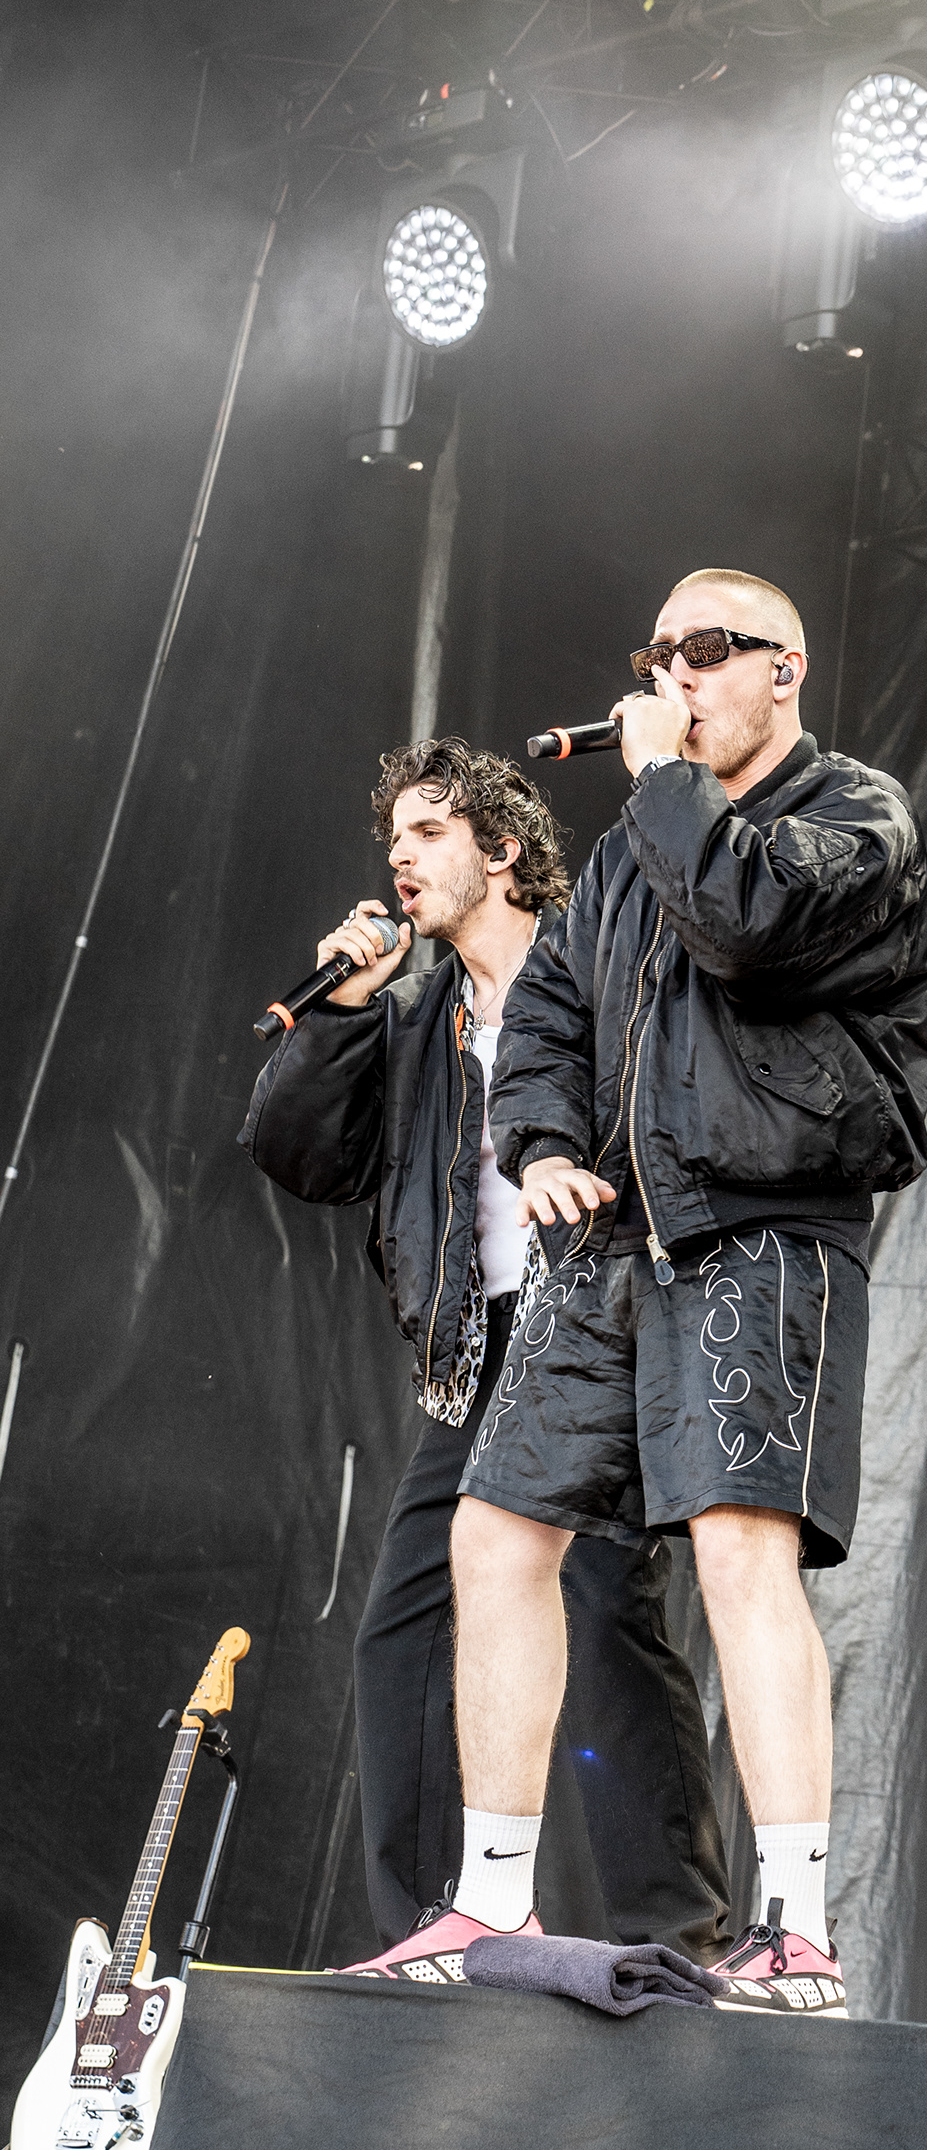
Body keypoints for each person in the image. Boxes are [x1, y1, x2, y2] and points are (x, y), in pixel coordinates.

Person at [345, 569, 927, 2015]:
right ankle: (489, 1899)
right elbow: (549, 1013)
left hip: (761, 1222)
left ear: (784, 668)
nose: (675, 675)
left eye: (708, 650)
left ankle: (795, 1929)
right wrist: (544, 1143)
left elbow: (744, 926)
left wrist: (668, 780)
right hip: (613, 1241)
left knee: (740, 1551)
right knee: (495, 1533)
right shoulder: (627, 852)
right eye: (659, 654)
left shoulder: (852, 816)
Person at [243, 740, 730, 1970]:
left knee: (605, 1606)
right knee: (404, 1625)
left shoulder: (604, 962)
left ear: (502, 849)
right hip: (483, 1344)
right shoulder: (415, 1019)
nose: (399, 859)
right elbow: (302, 1157)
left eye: (428, 832)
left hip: (605, 1315)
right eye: (391, 839)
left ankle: (675, 1931)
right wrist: (340, 1011)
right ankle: (431, 1927)